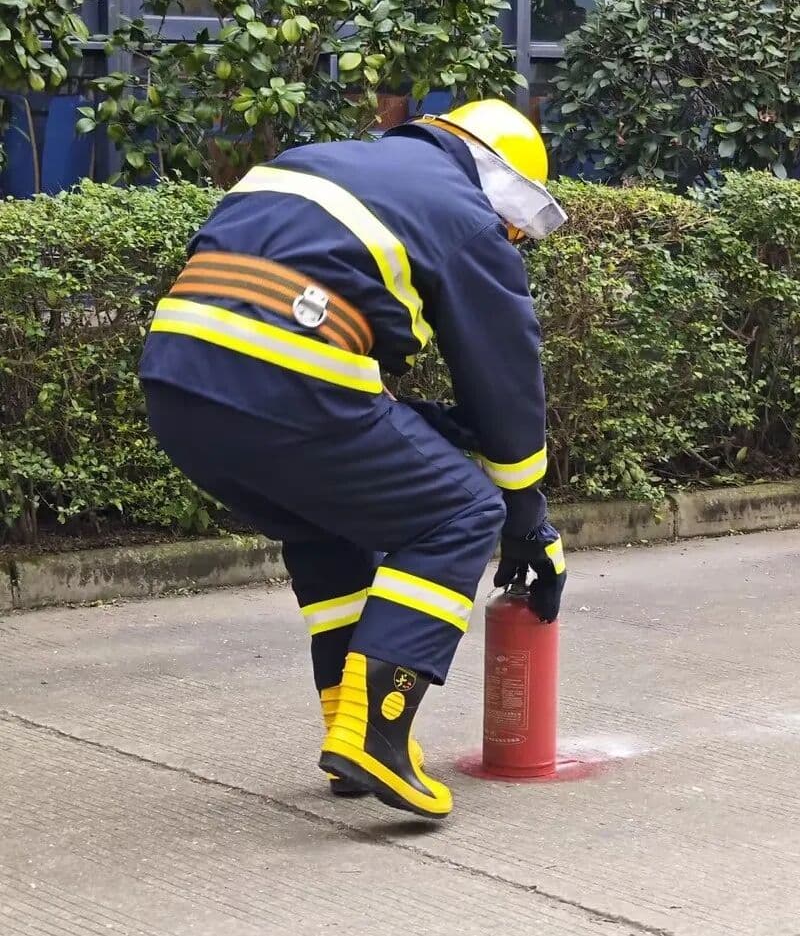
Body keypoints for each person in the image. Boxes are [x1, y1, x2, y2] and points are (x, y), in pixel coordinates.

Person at [140, 98, 568, 820]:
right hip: (287, 379)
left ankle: (347, 733)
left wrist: (426, 421)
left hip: (176, 383)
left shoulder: (320, 162)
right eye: (516, 226)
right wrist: (525, 516)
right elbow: (505, 375)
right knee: (463, 511)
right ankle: (376, 733)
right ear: (500, 183)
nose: (511, 238)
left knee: (325, 522)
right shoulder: (464, 214)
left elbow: (272, 297)